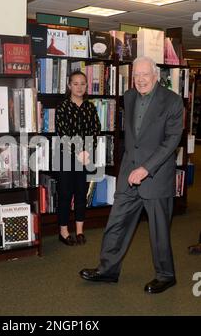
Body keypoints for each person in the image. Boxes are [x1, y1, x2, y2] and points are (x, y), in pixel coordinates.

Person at [79, 56, 184, 294]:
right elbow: (134, 139)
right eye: (136, 75)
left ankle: (166, 276)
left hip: (155, 176)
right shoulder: (129, 97)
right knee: (116, 223)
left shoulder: (173, 102)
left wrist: (146, 168)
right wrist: (130, 167)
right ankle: (107, 270)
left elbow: (171, 142)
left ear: (155, 75)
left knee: (159, 231)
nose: (140, 80)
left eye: (145, 74)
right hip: (129, 174)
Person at [55, 71, 101, 246]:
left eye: (83, 83)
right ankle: (64, 231)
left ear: (86, 86)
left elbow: (95, 130)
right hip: (66, 156)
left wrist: (87, 152)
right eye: (75, 83)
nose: (79, 87)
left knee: (81, 194)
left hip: (86, 157)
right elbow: (63, 133)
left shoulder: (90, 107)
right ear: (69, 86)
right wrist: (79, 152)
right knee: (65, 194)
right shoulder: (63, 107)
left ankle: (80, 231)